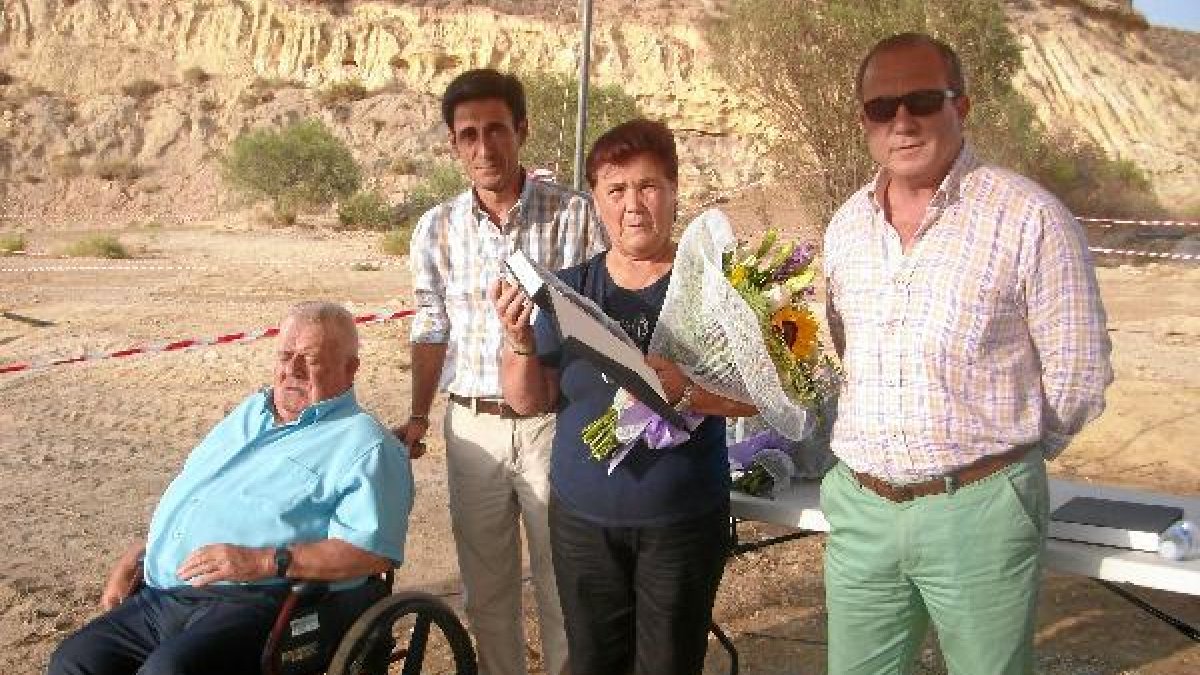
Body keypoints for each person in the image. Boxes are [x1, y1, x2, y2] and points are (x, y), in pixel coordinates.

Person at [821, 33, 1113, 674]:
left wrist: (1002, 468)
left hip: (979, 510)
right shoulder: (846, 226)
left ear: (963, 106)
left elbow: (1080, 374)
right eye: (881, 107)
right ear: (864, 120)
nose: (901, 121)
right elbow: (842, 351)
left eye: (922, 100)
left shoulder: (1029, 216)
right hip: (862, 510)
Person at [491, 119, 757, 675]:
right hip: (583, 523)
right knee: (591, 663)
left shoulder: (716, 287)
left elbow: (758, 398)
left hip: (682, 523)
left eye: (648, 186)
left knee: (668, 665)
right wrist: (517, 341)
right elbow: (528, 399)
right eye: (616, 190)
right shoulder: (570, 289)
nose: (633, 205)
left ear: (674, 191)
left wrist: (688, 391)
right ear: (596, 201)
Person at [47, 301, 415, 675]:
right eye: (285, 355)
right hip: (165, 591)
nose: (291, 370)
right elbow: (203, 495)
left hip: (259, 599)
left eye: (311, 359)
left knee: (168, 671)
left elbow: (372, 554)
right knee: (74, 662)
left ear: (350, 369)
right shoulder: (251, 412)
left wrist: (261, 561)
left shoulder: (365, 444)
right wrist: (142, 553)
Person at [398, 68, 608, 675]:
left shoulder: (575, 215)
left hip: (554, 423)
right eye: (468, 134)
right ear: (452, 143)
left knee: (563, 583)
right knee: (487, 592)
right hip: (472, 431)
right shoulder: (436, 227)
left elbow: (596, 322)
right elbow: (431, 325)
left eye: (496, 129)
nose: (483, 147)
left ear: (522, 130)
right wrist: (417, 415)